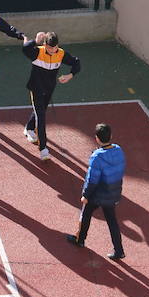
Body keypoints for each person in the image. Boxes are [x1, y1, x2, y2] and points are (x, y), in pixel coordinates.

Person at [66, 123, 126, 260]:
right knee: (112, 221)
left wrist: (85, 195)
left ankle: (80, 240)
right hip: (113, 192)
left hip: (98, 194)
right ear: (110, 136)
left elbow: (92, 179)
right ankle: (119, 250)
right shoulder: (118, 150)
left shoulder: (97, 157)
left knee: (86, 214)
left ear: (97, 138)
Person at [21, 31, 81, 160]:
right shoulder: (37, 52)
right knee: (41, 118)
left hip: (49, 89)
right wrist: (35, 41)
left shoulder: (61, 53)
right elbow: (25, 49)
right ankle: (43, 149)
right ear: (44, 44)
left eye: (55, 47)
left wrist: (70, 75)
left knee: (40, 112)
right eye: (49, 47)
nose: (52, 50)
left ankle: (29, 128)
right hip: (36, 89)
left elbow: (76, 62)